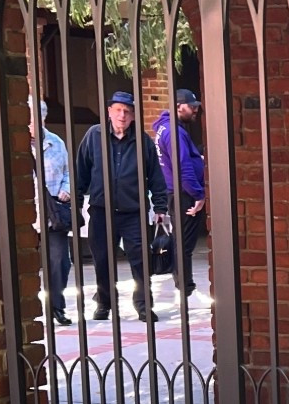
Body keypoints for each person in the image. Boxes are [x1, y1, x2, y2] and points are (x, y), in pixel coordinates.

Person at [75, 91, 170, 321]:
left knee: (140, 260)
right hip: (101, 211)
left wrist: (160, 207)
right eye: (118, 110)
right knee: (103, 261)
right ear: (109, 112)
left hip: (133, 212)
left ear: (134, 116)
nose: (122, 115)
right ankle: (104, 303)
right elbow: (81, 172)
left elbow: (155, 176)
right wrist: (76, 205)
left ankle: (143, 305)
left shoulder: (143, 141)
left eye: (127, 111)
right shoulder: (93, 136)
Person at [153, 88, 207, 297]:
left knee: (180, 240)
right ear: (178, 106)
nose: (195, 110)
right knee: (184, 243)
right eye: (191, 106)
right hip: (184, 194)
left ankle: (183, 282)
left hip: (178, 192)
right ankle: (185, 285)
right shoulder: (173, 132)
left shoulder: (166, 129)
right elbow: (182, 166)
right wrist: (198, 194)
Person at [33, 106, 73, 328]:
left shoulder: (56, 142)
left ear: (43, 118)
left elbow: (67, 171)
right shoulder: (14, 141)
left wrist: (65, 189)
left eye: (36, 117)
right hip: (26, 214)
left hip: (53, 214)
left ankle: (56, 306)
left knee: (60, 261)